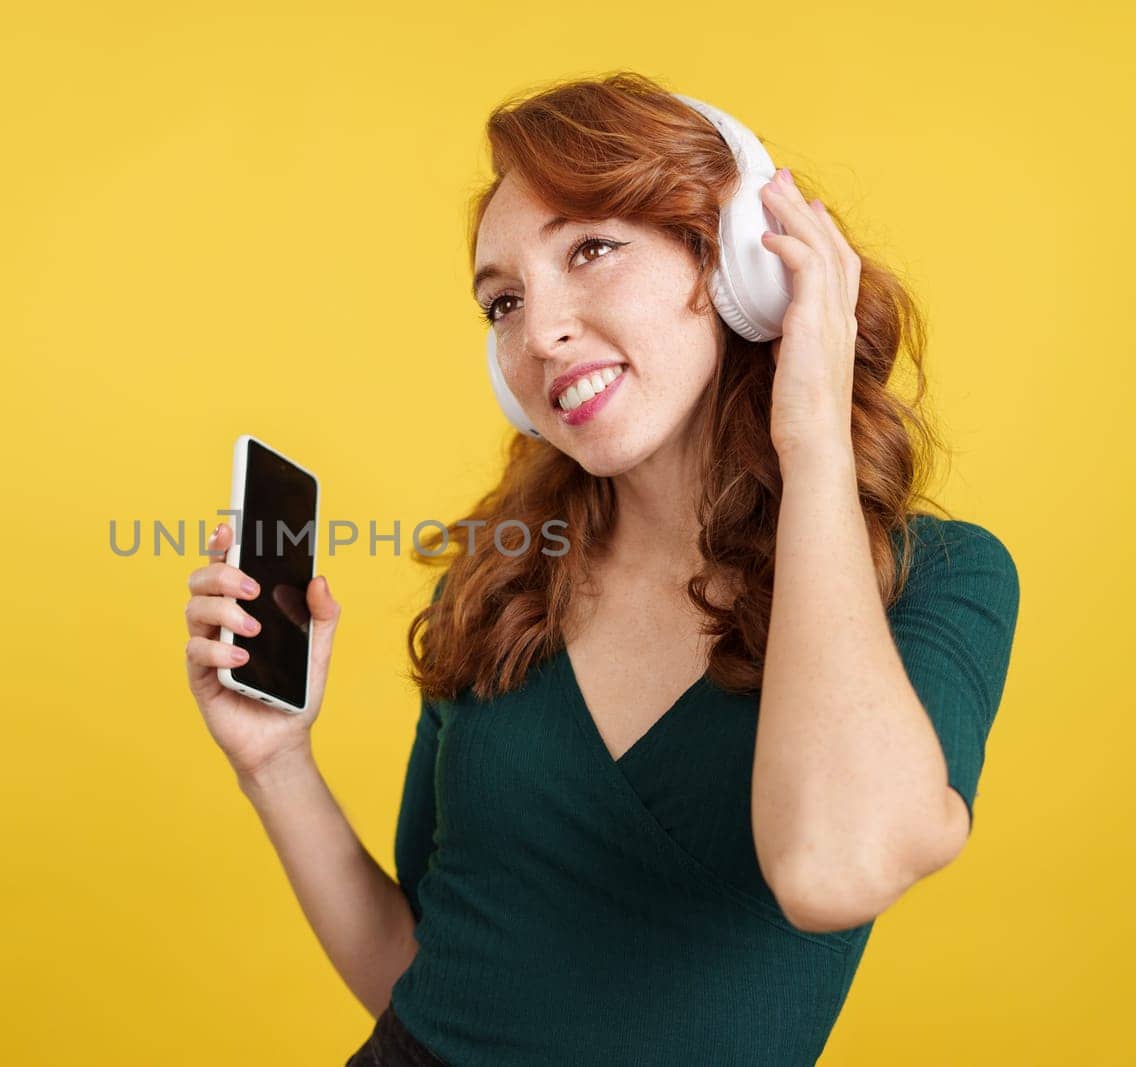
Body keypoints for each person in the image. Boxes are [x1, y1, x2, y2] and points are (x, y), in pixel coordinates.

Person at [182, 70, 1020, 1066]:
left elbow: (834, 867)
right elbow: (428, 976)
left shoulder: (935, 578)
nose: (538, 333)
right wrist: (274, 760)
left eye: (592, 248)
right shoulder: (499, 585)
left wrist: (812, 437)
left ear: (738, 264)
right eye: (503, 302)